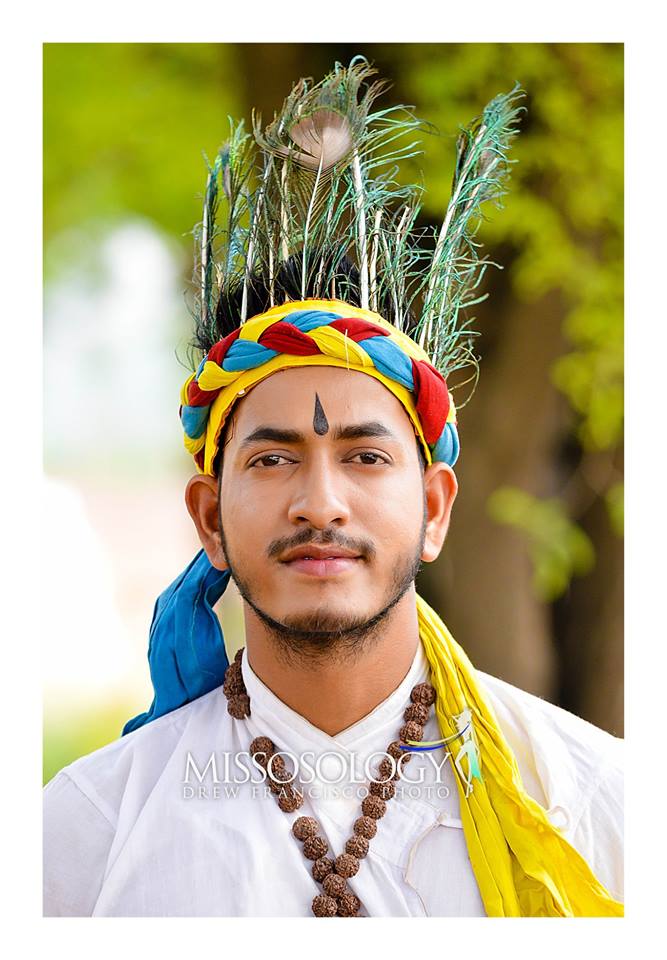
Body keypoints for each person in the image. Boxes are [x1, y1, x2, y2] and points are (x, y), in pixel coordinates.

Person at [43, 59, 623, 918]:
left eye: (365, 457)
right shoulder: (83, 831)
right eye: (272, 460)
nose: (321, 503)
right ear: (209, 517)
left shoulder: (597, 800)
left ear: (433, 508)